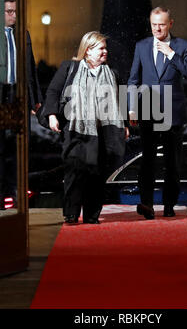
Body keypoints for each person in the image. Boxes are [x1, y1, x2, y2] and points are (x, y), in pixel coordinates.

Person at [44, 31, 129, 224]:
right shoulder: (70, 68)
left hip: (102, 132)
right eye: (100, 48)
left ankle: (92, 215)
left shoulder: (112, 73)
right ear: (88, 50)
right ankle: (72, 214)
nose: (105, 51)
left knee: (97, 174)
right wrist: (51, 115)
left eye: (105, 48)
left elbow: (120, 99)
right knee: (75, 171)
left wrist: (124, 124)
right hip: (76, 129)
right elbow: (54, 91)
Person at [128, 7, 187, 220]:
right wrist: (131, 107)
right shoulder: (141, 46)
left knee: (172, 162)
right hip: (148, 108)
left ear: (170, 24)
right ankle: (147, 204)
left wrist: (172, 55)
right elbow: (133, 79)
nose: (157, 28)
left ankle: (169, 205)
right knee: (147, 160)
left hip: (173, 111)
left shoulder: (182, 46)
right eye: (153, 24)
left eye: (161, 24)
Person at [0, 0, 42, 205]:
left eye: (15, 11)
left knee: (19, 146)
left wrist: (35, 100)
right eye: (9, 11)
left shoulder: (22, 34)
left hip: (18, 95)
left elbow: (30, 69)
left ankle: (16, 193)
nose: (14, 15)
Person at [101, 0, 152, 84]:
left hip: (117, 35)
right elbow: (146, 10)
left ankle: (125, 100)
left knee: (121, 71)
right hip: (134, 34)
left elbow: (106, 14)